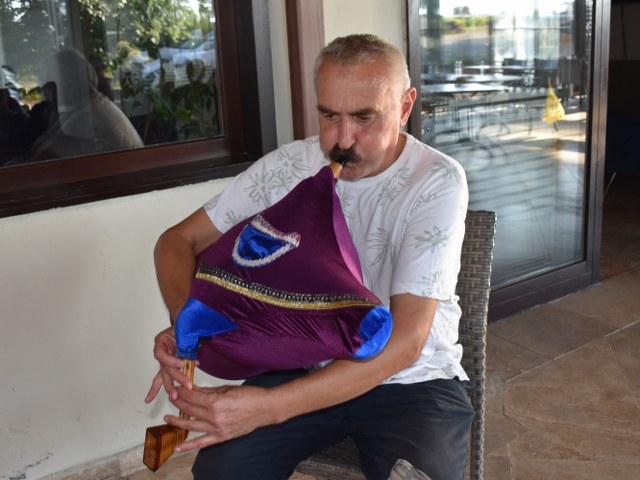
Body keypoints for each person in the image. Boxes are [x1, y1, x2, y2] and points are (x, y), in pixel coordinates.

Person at [146, 33, 472, 480]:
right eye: (329, 115)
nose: (342, 139)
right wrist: (187, 322)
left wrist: (269, 408)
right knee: (222, 472)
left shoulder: (436, 180)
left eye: (364, 117)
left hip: (410, 380)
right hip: (302, 362)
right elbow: (177, 241)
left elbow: (406, 342)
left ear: (404, 106)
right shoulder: (291, 166)